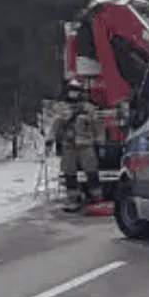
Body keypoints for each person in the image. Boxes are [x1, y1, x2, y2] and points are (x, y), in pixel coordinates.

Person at [51, 81, 103, 211]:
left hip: (86, 145)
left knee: (91, 170)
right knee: (69, 172)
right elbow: (56, 124)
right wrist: (50, 138)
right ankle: (73, 199)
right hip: (69, 145)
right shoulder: (62, 108)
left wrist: (100, 141)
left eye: (76, 90)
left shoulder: (89, 108)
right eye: (72, 90)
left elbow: (98, 125)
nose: (74, 93)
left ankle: (97, 197)